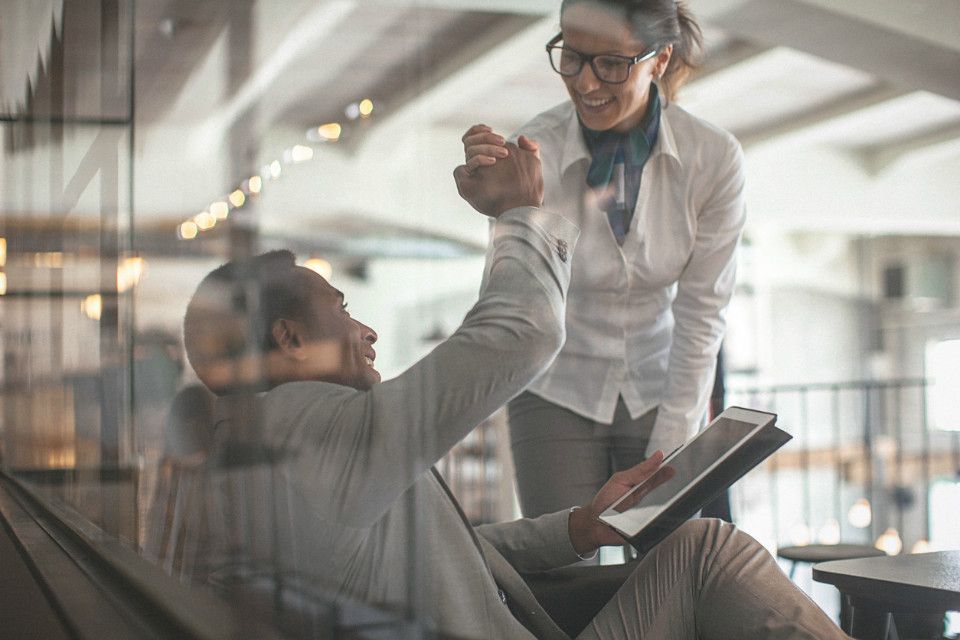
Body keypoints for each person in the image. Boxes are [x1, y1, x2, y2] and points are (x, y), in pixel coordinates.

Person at [179, 141, 846, 639]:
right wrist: (519, 211)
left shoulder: (271, 450)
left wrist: (580, 528)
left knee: (700, 553)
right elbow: (519, 334)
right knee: (708, 553)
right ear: (290, 340)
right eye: (343, 308)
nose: (366, 329)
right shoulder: (305, 435)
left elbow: (444, 555)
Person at [462, 0, 746, 519]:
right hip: (555, 387)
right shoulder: (535, 152)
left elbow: (703, 313)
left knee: (666, 563)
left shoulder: (713, 158)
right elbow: (520, 301)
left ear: (659, 59)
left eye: (611, 64)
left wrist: (673, 442)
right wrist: (503, 207)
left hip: (661, 386)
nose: (586, 84)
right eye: (572, 56)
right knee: (558, 572)